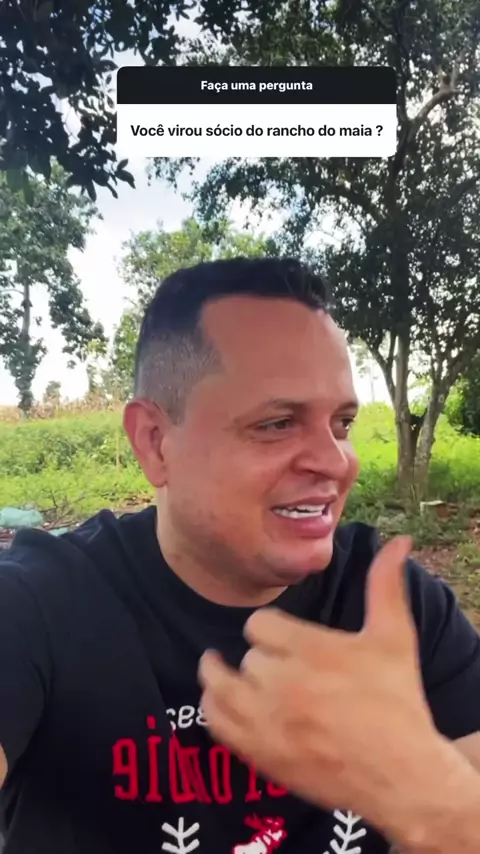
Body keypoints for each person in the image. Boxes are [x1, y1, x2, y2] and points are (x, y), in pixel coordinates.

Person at [0, 257, 479, 854]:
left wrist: (423, 787)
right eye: (277, 424)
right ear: (155, 442)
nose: (335, 462)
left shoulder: (391, 609)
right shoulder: (40, 607)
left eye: (341, 423)